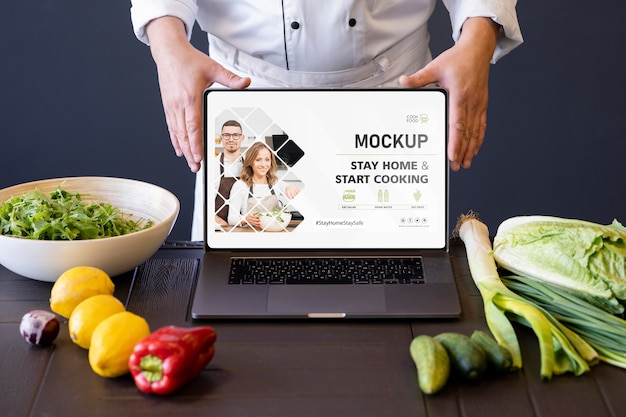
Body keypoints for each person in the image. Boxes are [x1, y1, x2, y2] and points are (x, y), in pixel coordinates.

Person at [129, 1, 523, 239]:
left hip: (388, 97)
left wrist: (478, 37)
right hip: (250, 96)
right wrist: (168, 45)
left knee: (401, 294)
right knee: (236, 297)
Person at [227, 141, 300, 229]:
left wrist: (291, 187)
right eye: (258, 160)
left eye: (267, 160)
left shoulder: (275, 182)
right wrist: (244, 219)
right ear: (250, 162)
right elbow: (231, 218)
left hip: (273, 234)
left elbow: (289, 189)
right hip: (249, 234)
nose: (263, 165)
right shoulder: (240, 185)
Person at [212, 119, 245, 227]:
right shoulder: (212, 165)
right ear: (221, 138)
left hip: (244, 225)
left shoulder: (250, 165)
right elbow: (203, 202)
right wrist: (220, 222)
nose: (231, 139)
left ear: (242, 138)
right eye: (226, 135)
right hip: (219, 225)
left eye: (236, 135)